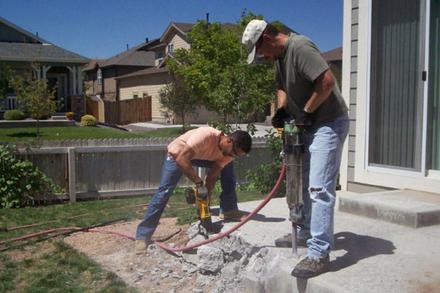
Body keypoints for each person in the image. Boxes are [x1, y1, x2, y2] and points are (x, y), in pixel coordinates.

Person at [242, 19, 349, 278]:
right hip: (307, 124)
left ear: (267, 38)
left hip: (328, 123)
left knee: (318, 187)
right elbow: (282, 87)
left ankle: (319, 253)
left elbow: (326, 82)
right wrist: (282, 109)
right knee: (299, 180)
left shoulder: (300, 47)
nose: (263, 58)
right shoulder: (279, 58)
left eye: (261, 52)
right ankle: (304, 231)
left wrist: (304, 112)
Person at [135, 127, 252, 252]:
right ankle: (143, 236)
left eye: (236, 155)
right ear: (229, 141)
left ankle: (229, 209)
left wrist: (205, 199)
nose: (232, 156)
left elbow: (212, 177)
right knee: (164, 191)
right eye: (233, 153)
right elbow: (182, 159)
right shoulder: (205, 136)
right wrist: (199, 183)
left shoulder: (229, 152)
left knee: (228, 168)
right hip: (179, 154)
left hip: (203, 157)